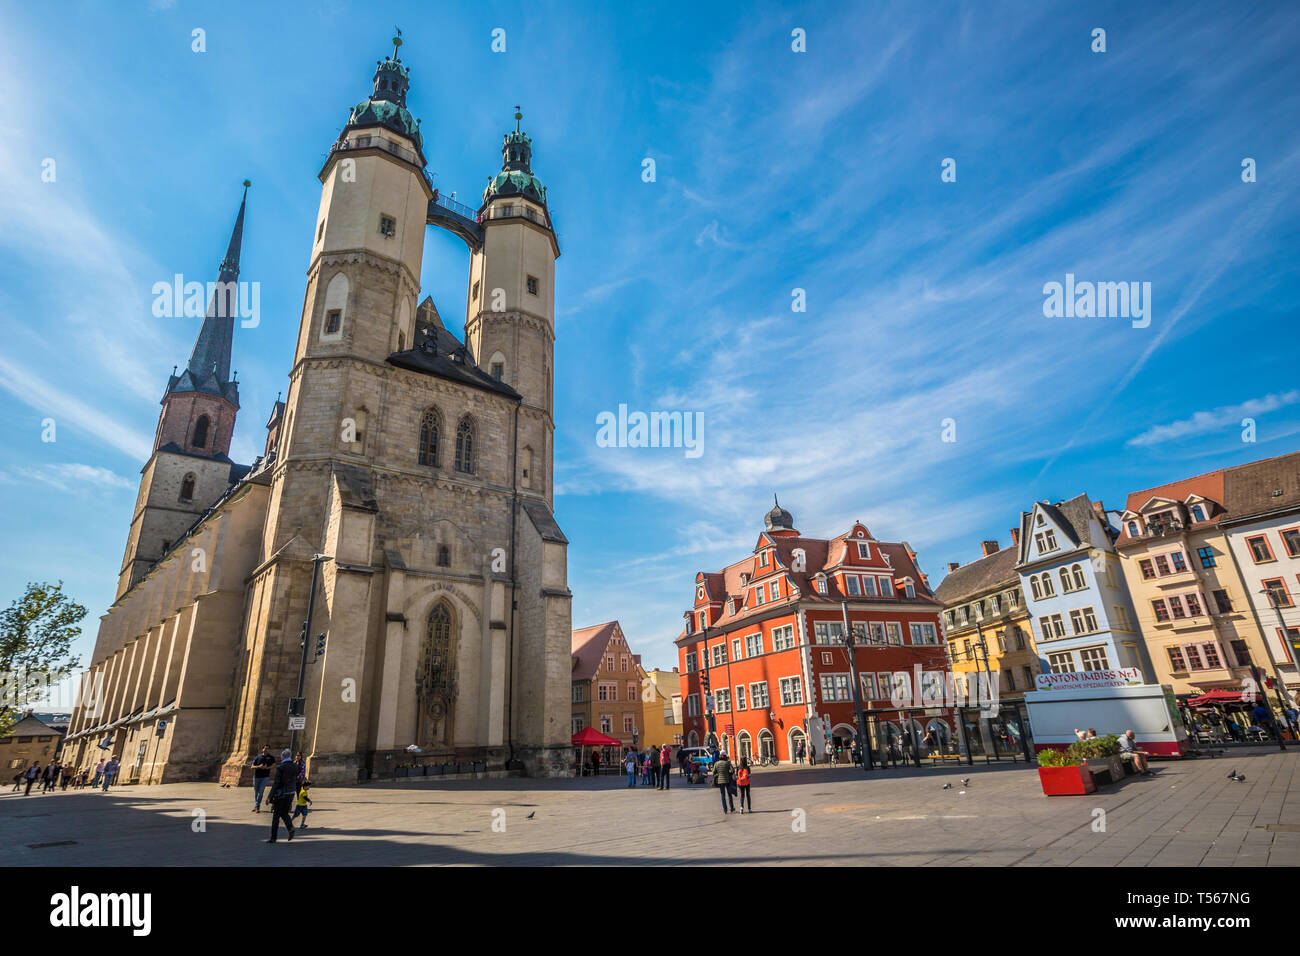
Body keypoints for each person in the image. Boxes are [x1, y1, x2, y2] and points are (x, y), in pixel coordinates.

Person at [266, 749, 298, 843]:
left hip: (282, 794)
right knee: (284, 813)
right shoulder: (295, 766)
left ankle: (273, 837)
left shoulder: (281, 767)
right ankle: (290, 828)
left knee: (276, 816)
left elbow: (276, 783)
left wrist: (269, 797)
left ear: (283, 757)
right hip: (291, 793)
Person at [251, 745, 275, 812]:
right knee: (256, 792)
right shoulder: (258, 757)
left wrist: (267, 768)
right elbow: (252, 766)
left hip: (265, 777)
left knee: (261, 792)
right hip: (256, 777)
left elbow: (274, 765)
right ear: (262, 749)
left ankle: (257, 807)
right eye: (265, 748)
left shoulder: (271, 757)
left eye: (267, 748)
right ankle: (256, 805)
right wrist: (259, 766)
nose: (266, 749)